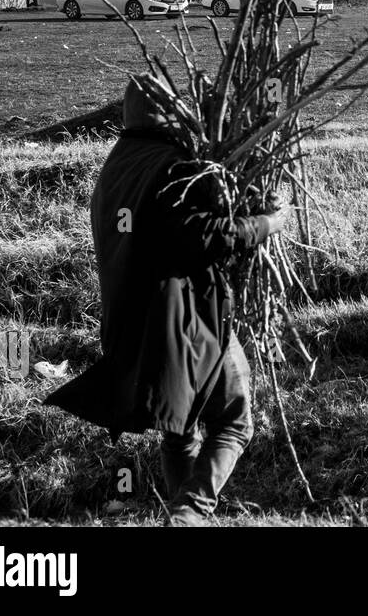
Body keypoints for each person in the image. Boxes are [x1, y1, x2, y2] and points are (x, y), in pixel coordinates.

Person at [46, 74, 288, 526]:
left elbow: (164, 231)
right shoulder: (175, 166)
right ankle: (189, 514)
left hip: (132, 323)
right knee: (235, 421)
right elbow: (205, 236)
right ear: (172, 113)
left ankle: (184, 517)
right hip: (187, 321)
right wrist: (266, 223)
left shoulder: (118, 165)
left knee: (180, 431)